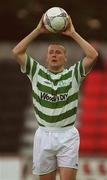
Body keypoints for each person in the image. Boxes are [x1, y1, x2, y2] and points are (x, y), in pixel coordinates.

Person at [12, 15, 98, 180]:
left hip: (67, 135)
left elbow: (92, 55)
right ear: (46, 57)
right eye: (51, 52)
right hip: (44, 135)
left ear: (65, 58)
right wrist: (38, 30)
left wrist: (73, 33)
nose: (54, 54)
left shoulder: (73, 73)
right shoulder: (36, 72)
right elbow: (17, 51)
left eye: (58, 52)